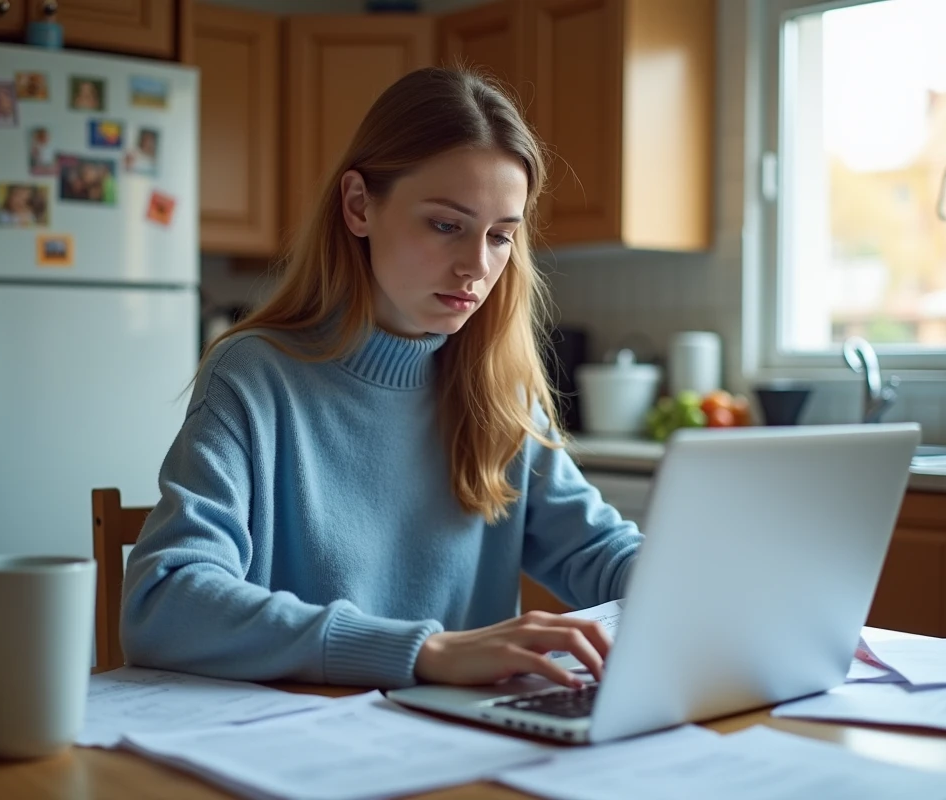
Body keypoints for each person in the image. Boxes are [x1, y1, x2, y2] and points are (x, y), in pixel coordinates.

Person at [121, 67, 642, 690]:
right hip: (302, 751)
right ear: (359, 205)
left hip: (463, 750)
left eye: (501, 236)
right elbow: (164, 602)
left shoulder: (498, 393)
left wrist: (705, 589)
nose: (477, 265)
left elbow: (602, 553)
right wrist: (425, 652)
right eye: (447, 225)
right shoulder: (255, 379)